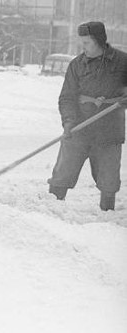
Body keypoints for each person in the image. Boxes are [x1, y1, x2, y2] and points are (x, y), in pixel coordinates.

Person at [48, 21, 127, 211]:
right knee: (62, 174)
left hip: (110, 131)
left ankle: (106, 215)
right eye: (81, 43)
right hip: (79, 128)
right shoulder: (77, 65)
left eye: (87, 43)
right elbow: (66, 97)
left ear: (99, 41)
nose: (83, 47)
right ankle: (50, 213)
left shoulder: (122, 62)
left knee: (109, 180)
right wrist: (69, 122)